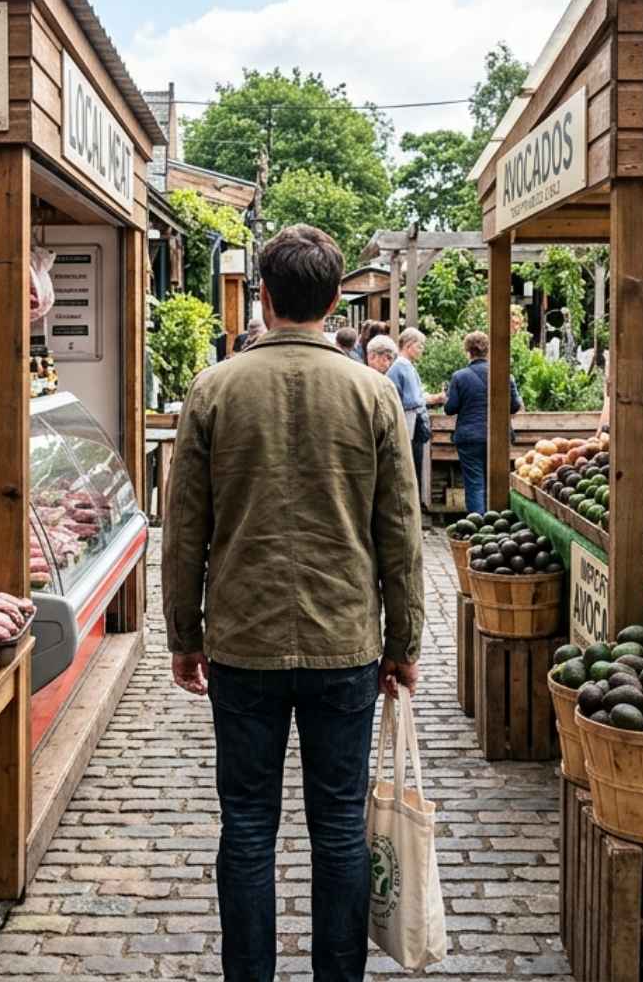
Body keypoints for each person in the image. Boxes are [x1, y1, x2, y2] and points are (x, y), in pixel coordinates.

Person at [162, 224, 422, 982]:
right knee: (340, 825)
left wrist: (185, 634)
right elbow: (400, 533)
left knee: (246, 825)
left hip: (243, 639)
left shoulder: (214, 389)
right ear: (335, 299)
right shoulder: (372, 392)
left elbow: (185, 531)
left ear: (264, 297)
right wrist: (403, 642)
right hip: (345, 639)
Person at [444, 331, 522, 515]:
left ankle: (477, 528)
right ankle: (497, 527)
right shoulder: (504, 375)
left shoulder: (459, 377)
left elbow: (450, 408)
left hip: (470, 438)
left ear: (468, 351)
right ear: (488, 351)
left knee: (474, 484)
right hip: (499, 437)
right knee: (496, 483)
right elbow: (515, 405)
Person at [389, 328, 441, 504]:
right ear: (409, 345)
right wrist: (433, 398)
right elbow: (413, 401)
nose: (421, 350)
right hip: (410, 425)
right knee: (412, 467)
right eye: (420, 346)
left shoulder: (403, 366)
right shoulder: (402, 367)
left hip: (410, 423)